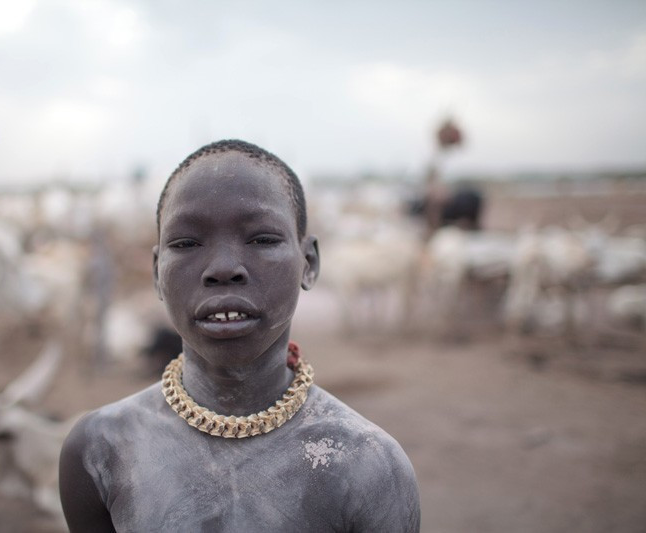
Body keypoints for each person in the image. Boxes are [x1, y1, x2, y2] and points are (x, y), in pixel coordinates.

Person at [59, 139, 420, 532]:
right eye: (186, 243)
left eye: (262, 239)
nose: (224, 267)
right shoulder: (99, 451)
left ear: (309, 263)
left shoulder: (369, 466)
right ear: (157, 272)